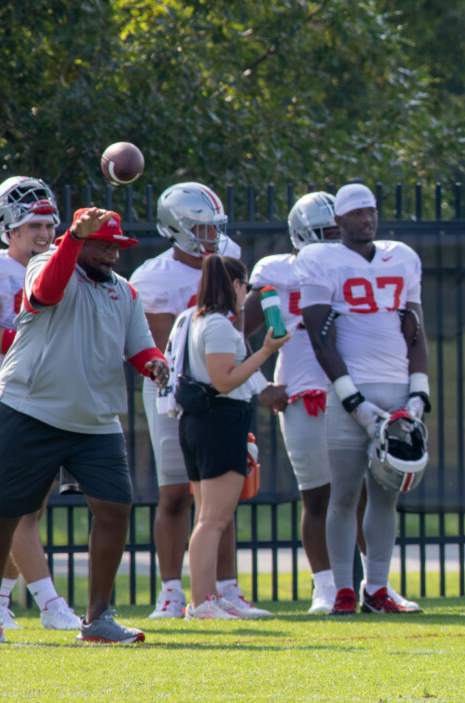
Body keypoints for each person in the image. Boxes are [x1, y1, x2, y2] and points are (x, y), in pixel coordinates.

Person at [0, 207, 168, 644]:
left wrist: (157, 366)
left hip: (95, 419)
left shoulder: (125, 292)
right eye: (102, 244)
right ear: (78, 241)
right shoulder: (45, 265)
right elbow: (47, 293)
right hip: (28, 409)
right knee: (3, 512)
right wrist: (72, 238)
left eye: (115, 246)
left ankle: (97, 620)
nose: (111, 254)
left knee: (115, 508)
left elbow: (141, 348)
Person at [132, 182, 266, 619]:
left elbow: (235, 336)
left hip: (222, 387)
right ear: (176, 228)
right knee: (175, 493)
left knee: (220, 493)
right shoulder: (153, 277)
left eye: (214, 227)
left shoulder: (227, 256)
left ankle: (223, 588)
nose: (210, 236)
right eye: (199, 228)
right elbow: (161, 351)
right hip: (180, 390)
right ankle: (172, 590)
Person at [297, 183, 430, 615]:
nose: (366, 219)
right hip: (350, 391)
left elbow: (417, 332)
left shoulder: (402, 257)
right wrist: (352, 400)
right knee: (345, 494)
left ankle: (377, 588)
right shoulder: (320, 259)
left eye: (370, 211)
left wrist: (419, 394)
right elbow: (320, 338)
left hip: (394, 387)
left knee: (386, 494)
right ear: (338, 222)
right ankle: (342, 589)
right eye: (356, 213)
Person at [0, 176, 81, 631]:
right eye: (33, 227)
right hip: (9, 393)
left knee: (31, 507)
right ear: (8, 229)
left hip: (54, 392)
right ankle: (51, 606)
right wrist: (42, 340)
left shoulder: (61, 266)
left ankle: (0, 603)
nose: (45, 235)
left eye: (49, 226)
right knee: (20, 506)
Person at [242, 191, 341, 614]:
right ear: (302, 235)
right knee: (317, 496)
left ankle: (369, 585)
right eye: (327, 233)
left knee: (360, 496)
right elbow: (234, 331)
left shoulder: (357, 266)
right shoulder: (277, 270)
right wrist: (258, 384)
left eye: (340, 232)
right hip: (304, 394)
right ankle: (324, 587)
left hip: (353, 393)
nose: (336, 241)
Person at [179, 256, 288, 619]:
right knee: (213, 519)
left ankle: (208, 596)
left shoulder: (202, 320)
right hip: (219, 420)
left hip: (206, 421)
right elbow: (224, 380)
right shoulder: (218, 326)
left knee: (209, 518)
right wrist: (266, 352)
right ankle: (201, 602)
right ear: (236, 285)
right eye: (245, 287)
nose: (247, 294)